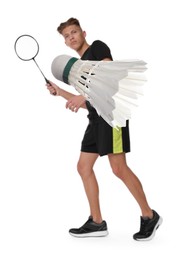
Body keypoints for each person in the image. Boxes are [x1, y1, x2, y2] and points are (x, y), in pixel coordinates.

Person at [47, 17, 162, 241]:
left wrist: (83, 96)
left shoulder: (97, 48)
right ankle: (97, 222)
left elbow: (110, 77)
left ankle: (150, 216)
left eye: (74, 32)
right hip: (95, 120)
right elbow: (85, 102)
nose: (71, 37)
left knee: (118, 169)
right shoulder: (78, 70)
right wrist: (60, 92)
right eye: (67, 36)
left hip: (112, 117)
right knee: (83, 167)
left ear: (83, 33)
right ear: (65, 43)